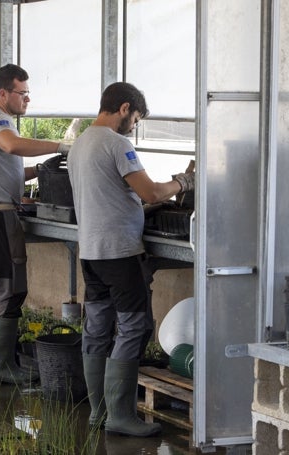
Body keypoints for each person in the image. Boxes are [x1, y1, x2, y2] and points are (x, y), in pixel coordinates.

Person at [67, 82, 194, 437]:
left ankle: (98, 413)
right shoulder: (116, 143)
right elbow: (150, 191)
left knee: (97, 328)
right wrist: (183, 183)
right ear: (124, 109)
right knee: (135, 326)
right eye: (135, 118)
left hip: (91, 252)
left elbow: (117, 195)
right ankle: (121, 417)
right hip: (120, 253)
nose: (134, 126)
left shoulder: (80, 144)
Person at [0, 63, 69, 385]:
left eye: (28, 94)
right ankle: (1, 367)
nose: (27, 100)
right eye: (22, 94)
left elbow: (7, 166)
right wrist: (62, 146)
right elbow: (12, 145)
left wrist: (38, 169)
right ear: (3, 93)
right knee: (10, 290)